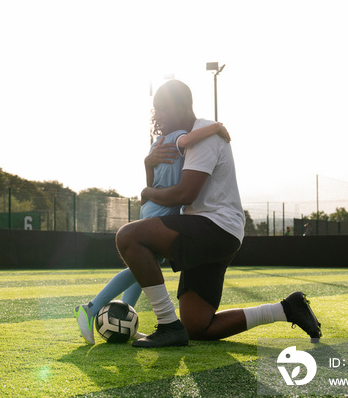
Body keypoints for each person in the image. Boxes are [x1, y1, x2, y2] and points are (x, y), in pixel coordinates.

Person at [115, 79, 322, 348]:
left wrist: (147, 193)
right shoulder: (181, 140)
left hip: (213, 227)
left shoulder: (204, 135)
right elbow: (167, 188)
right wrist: (148, 166)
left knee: (128, 236)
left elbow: (183, 195)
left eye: (165, 108)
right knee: (198, 326)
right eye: (157, 109)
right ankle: (285, 309)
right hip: (214, 231)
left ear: (185, 105)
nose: (160, 115)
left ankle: (167, 324)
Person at [74, 121, 231, 344]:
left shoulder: (156, 145)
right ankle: (90, 309)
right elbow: (186, 141)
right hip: (161, 209)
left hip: (156, 207)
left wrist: (147, 167)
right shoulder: (178, 134)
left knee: (145, 267)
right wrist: (215, 127)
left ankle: (126, 314)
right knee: (143, 266)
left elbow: (153, 183)